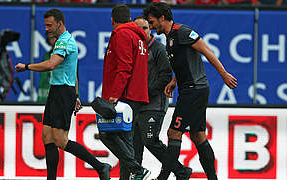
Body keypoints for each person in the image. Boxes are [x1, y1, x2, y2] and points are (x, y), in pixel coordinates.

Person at [143, 2, 238, 180]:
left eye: (152, 21)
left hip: (194, 90)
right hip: (191, 89)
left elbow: (207, 52)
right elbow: (184, 62)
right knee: (197, 135)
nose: (151, 26)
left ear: (162, 18)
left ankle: (162, 177)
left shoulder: (183, 32)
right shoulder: (170, 38)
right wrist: (174, 81)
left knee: (173, 132)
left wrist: (224, 75)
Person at [15, 8, 111, 180]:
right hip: (57, 91)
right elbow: (72, 72)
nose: (46, 29)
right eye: (45, 25)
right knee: (47, 137)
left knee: (60, 140)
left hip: (62, 93)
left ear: (60, 23)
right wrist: (76, 95)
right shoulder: (62, 41)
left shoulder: (65, 42)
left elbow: (52, 64)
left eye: (49, 25)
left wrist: (27, 66)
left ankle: (100, 166)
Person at [131, 16, 192, 180]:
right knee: (135, 145)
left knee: (150, 141)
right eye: (137, 29)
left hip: (154, 103)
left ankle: (181, 171)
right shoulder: (133, 48)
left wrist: (146, 94)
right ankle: (135, 175)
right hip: (137, 104)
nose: (141, 32)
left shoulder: (158, 48)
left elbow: (166, 76)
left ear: (150, 30)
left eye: (145, 28)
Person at [99, 4, 151, 180]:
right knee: (126, 137)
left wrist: (114, 94)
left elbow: (124, 68)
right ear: (130, 19)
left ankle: (137, 170)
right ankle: (131, 174)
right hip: (136, 93)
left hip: (125, 95)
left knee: (107, 133)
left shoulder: (121, 34)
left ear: (112, 20)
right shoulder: (139, 37)